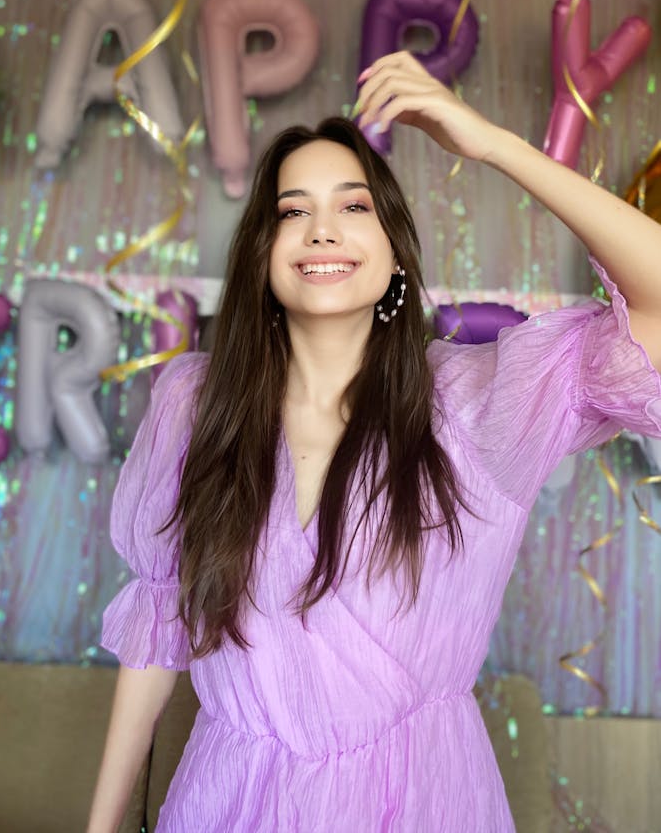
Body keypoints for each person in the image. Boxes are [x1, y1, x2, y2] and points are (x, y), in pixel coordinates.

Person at [87, 51, 661, 832]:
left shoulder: (475, 405)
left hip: (420, 801)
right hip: (229, 801)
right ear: (262, 256)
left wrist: (493, 144)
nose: (322, 228)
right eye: (293, 211)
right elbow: (158, 637)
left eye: (354, 207)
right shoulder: (194, 404)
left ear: (395, 255)